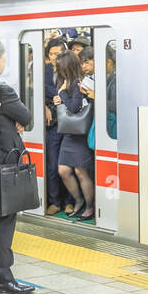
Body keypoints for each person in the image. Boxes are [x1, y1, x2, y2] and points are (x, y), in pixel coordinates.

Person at [0, 39, 36, 294]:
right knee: (4, 220)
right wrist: (13, 120)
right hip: (5, 168)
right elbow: (27, 118)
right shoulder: (2, 89)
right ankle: (3, 276)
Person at [52, 50, 95, 221]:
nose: (59, 71)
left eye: (61, 68)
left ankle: (89, 206)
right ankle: (78, 201)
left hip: (79, 135)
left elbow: (75, 107)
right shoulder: (64, 82)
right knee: (63, 170)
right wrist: (59, 100)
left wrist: (62, 95)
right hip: (69, 134)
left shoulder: (78, 82)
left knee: (80, 171)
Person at [42, 37, 68, 215]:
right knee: (52, 165)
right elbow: (35, 88)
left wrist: (53, 93)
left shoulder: (68, 70)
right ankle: (55, 201)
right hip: (52, 125)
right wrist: (44, 105)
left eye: (57, 54)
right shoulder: (43, 70)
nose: (53, 57)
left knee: (67, 165)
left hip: (68, 123)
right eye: (51, 54)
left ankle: (69, 201)